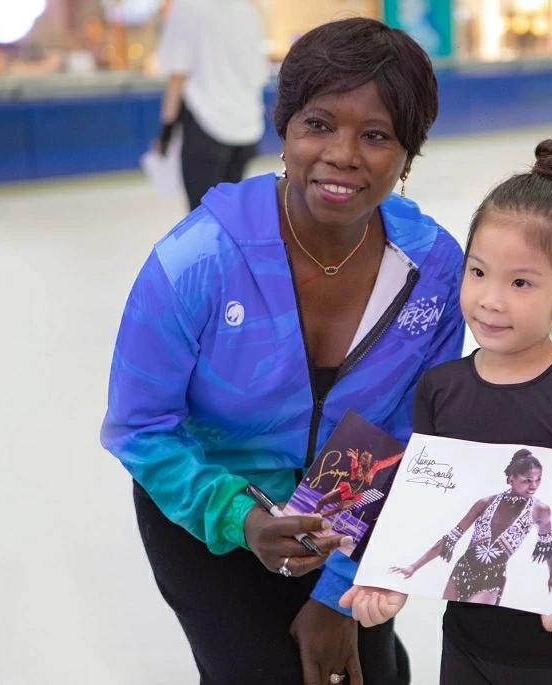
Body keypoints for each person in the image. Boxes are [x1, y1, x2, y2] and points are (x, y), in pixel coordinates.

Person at [101, 18, 464, 685]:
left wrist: (337, 597)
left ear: (409, 152)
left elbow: (411, 436)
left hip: (346, 517)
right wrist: (242, 517)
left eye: (376, 135)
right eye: (319, 124)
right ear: (285, 130)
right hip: (204, 507)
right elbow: (139, 426)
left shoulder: (433, 270)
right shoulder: (195, 261)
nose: (342, 154)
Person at [341, 139, 552, 685]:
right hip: (467, 645)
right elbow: (425, 506)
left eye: (521, 282)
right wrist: (387, 576)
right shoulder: (440, 389)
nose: (491, 299)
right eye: (478, 272)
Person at [389, 449, 552, 604]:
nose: (534, 485)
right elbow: (451, 538)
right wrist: (413, 567)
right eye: (527, 480)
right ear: (511, 479)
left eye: (538, 479)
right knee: (453, 619)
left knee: (473, 620)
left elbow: (548, 545)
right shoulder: (485, 503)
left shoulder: (540, 510)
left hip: (492, 576)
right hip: (463, 568)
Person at [155, 0, 269, 210]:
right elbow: (258, 73)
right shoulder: (249, 12)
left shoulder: (186, 8)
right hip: (246, 129)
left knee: (202, 218)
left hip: (205, 127)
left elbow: (177, 75)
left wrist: (166, 132)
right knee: (228, 213)